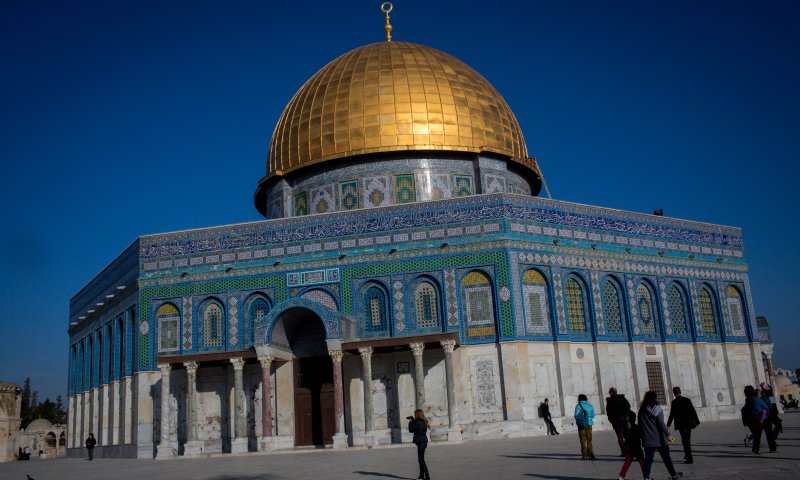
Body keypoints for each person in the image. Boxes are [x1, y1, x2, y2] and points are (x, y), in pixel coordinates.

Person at [638, 391, 683, 480]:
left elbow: (640, 425)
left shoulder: (642, 410)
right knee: (666, 458)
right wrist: (668, 435)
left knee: (648, 460)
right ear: (654, 398)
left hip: (648, 439)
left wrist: (641, 436)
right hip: (660, 439)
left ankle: (646, 477)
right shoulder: (657, 409)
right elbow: (661, 423)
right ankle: (673, 475)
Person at [666, 387, 700, 464]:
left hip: (681, 425)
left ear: (674, 393)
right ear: (680, 391)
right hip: (688, 424)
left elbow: (672, 415)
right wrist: (697, 421)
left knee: (685, 440)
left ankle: (689, 458)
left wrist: (668, 425)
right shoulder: (687, 400)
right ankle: (687, 455)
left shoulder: (674, 402)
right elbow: (693, 411)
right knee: (687, 439)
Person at [742, 385, 777, 454]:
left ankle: (756, 448)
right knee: (769, 434)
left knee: (756, 435)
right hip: (764, 419)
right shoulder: (757, 399)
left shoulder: (747, 402)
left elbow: (745, 411)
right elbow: (766, 408)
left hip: (754, 421)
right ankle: (772, 448)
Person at [618, 411, 644, 480]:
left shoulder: (625, 427)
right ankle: (646, 476)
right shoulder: (636, 427)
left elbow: (624, 436)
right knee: (642, 461)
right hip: (636, 447)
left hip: (628, 447)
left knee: (627, 462)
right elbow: (641, 436)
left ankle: (621, 476)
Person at [606, 387, 631, 456]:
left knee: (620, 437)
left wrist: (611, 420)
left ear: (611, 393)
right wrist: (625, 415)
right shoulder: (622, 398)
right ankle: (628, 450)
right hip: (624, 419)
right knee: (627, 436)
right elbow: (628, 406)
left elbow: (608, 412)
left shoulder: (610, 401)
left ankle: (624, 452)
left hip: (616, 421)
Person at [408, 409, 430, 480]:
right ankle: (421, 475)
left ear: (417, 414)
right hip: (424, 441)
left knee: (421, 460)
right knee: (420, 459)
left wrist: (411, 422)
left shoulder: (417, 422)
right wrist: (414, 421)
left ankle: (427, 476)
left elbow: (411, 430)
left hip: (421, 442)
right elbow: (419, 428)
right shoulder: (424, 421)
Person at [574, 394, 595, 460]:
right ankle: (591, 454)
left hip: (581, 425)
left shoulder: (578, 406)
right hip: (589, 424)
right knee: (589, 439)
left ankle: (584, 454)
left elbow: (576, 415)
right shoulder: (590, 406)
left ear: (579, 399)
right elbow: (593, 415)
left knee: (583, 439)